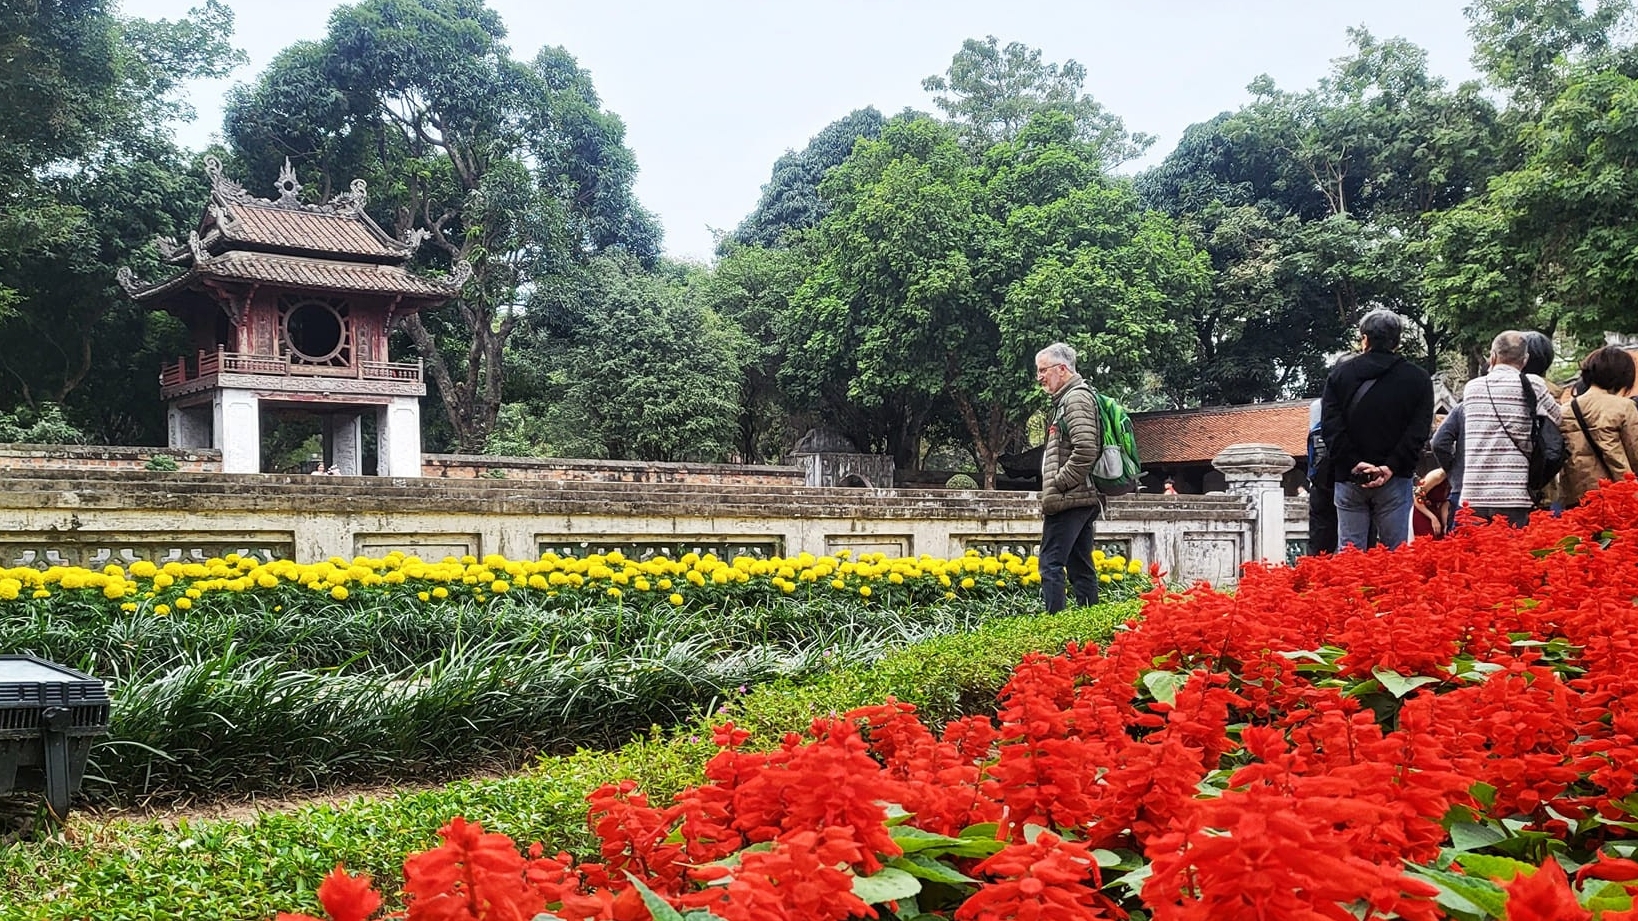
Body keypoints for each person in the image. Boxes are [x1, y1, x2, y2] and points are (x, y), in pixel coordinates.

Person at [1319, 309, 1434, 550]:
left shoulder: (1340, 375)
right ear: (1397, 340)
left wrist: (1353, 463)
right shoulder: (1418, 379)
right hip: (1395, 478)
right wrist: (1390, 466)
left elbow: (1330, 427)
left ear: (1365, 339)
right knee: (1395, 555)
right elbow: (1419, 431)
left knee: (1351, 556)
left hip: (1350, 477)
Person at [1459, 330, 1563, 527]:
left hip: (1474, 492)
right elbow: (1558, 418)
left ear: (1493, 356)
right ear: (1525, 360)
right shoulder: (1534, 385)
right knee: (1511, 553)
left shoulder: (1471, 388)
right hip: (1514, 493)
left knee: (1476, 553)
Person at [1034, 342, 1102, 613]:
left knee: (1050, 564)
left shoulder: (1075, 399)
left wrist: (1058, 484)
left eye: (1043, 370)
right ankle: (1090, 623)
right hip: (1079, 497)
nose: (1040, 377)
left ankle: (1055, 627)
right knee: (1079, 566)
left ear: (1061, 369)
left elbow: (1086, 449)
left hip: (1070, 498)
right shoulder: (1070, 398)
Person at [1558, 345, 1638, 508]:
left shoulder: (1563, 410)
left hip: (1577, 497)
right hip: (1618, 494)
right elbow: (1635, 453)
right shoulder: (1624, 407)